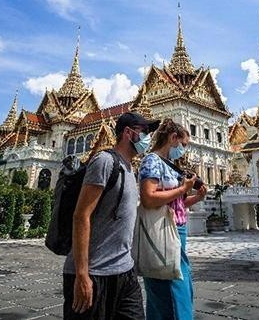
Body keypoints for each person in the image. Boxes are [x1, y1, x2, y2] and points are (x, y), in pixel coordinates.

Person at [63, 112, 159, 320]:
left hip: (125, 270)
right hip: (94, 273)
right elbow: (81, 215)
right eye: (145, 133)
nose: (148, 139)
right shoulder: (104, 161)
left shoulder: (130, 169)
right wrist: (82, 274)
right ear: (128, 133)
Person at [138, 119, 208, 320]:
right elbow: (149, 198)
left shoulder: (171, 165)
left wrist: (197, 197)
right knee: (169, 287)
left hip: (177, 228)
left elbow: (176, 204)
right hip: (162, 230)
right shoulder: (151, 161)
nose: (184, 150)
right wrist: (183, 189)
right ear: (173, 138)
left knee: (182, 285)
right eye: (184, 144)